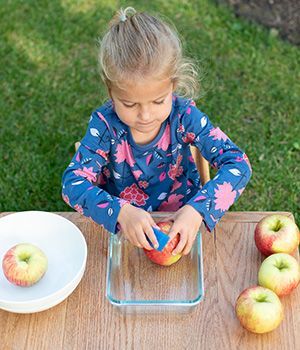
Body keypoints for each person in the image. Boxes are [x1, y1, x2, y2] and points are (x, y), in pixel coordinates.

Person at [61, 7, 252, 256]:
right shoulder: (104, 126)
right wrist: (120, 212)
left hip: (182, 222)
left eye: (159, 101)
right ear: (111, 93)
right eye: (129, 104)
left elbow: (239, 164)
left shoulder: (184, 116)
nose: (146, 116)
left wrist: (198, 210)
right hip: (125, 230)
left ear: (173, 85)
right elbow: (71, 184)